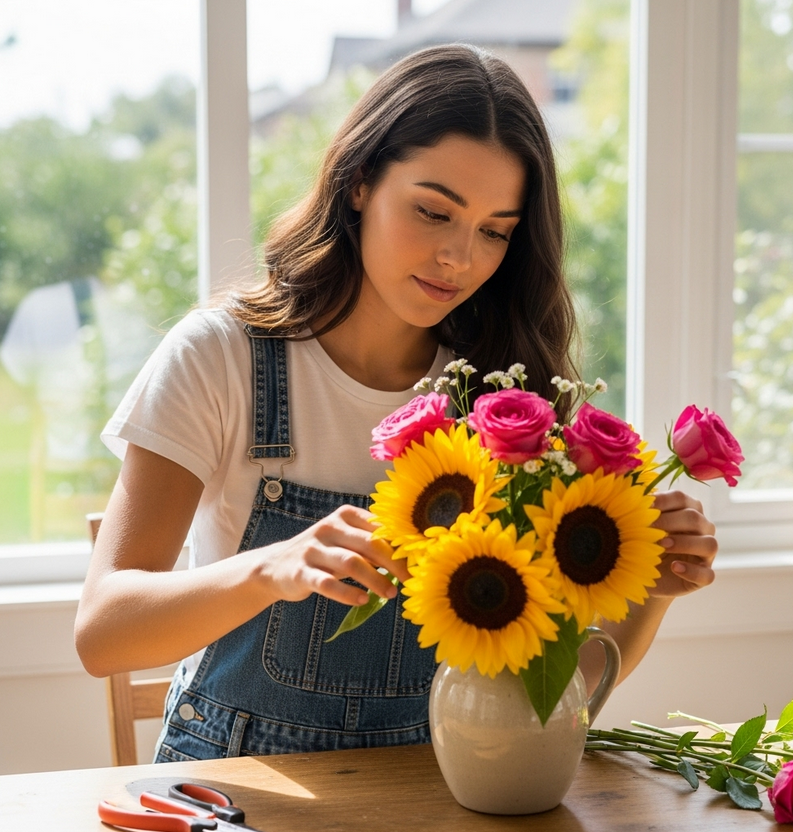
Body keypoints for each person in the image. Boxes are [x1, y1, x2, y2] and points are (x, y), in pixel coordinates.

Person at [74, 45, 717, 762]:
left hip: (441, 787)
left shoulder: (508, 403)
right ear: (358, 183)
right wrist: (275, 568)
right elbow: (103, 634)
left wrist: (651, 589)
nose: (459, 257)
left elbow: (548, 701)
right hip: (233, 786)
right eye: (433, 211)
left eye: (495, 231)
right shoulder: (221, 356)